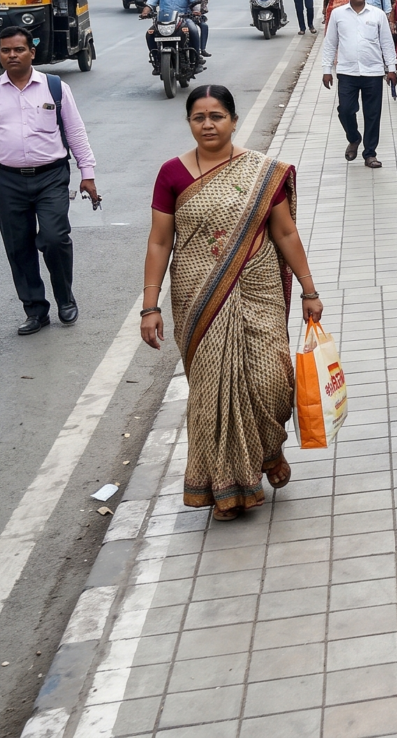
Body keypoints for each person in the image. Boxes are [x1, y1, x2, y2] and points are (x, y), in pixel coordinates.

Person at [139, 86, 319, 521]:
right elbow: (161, 241)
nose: (208, 124)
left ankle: (269, 450)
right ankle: (226, 488)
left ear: (234, 121)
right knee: (212, 393)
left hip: (259, 290)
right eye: (199, 117)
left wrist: (310, 291)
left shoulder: (260, 172)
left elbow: (286, 233)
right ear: (189, 123)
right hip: (199, 297)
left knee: (273, 382)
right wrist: (150, 306)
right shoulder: (172, 174)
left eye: (217, 116)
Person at [0, 27, 101, 335]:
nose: (11, 55)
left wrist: (87, 174)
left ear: (31, 53)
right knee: (18, 247)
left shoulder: (55, 88)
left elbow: (76, 133)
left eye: (18, 50)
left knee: (54, 238)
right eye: (5, 51)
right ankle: (35, 310)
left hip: (51, 176)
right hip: (8, 181)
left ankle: (65, 297)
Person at [320, 0, 397, 168]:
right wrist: (326, 69)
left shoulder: (377, 14)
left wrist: (391, 68)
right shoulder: (338, 15)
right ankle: (354, 137)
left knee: (373, 114)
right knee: (345, 110)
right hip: (347, 72)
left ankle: (370, 153)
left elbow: (387, 44)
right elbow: (330, 43)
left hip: (373, 72)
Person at [141, 0, 209, 58]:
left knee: (193, 30)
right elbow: (150, 3)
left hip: (184, 18)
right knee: (149, 34)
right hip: (163, 19)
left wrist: (196, 11)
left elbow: (196, 2)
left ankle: (196, 56)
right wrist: (145, 12)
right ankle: (156, 59)